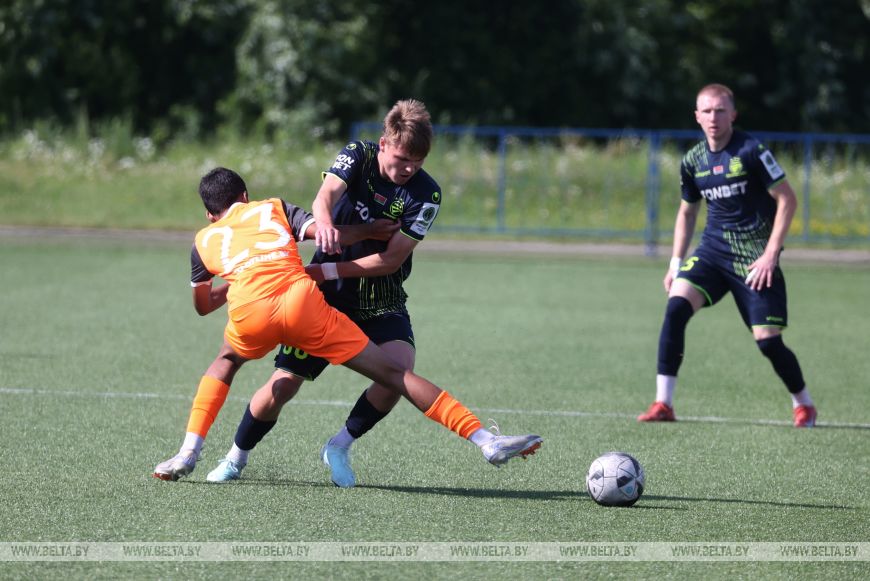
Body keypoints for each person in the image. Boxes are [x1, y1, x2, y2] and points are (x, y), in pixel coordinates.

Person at [153, 166, 542, 481]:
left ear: (210, 214)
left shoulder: (202, 241)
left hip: (251, 313)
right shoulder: (271, 208)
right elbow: (326, 234)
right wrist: (369, 231)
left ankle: (188, 452)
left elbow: (203, 305)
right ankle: (484, 439)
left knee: (226, 361)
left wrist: (241, 276)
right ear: (245, 196)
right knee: (395, 375)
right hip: (303, 303)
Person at [205, 99, 447, 487]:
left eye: (417, 162)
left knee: (398, 376)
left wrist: (324, 269)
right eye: (402, 159)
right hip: (325, 297)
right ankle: (235, 457)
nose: (408, 169)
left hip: (381, 298)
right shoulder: (359, 155)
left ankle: (339, 445)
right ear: (384, 143)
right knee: (284, 384)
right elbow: (325, 196)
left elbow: (390, 261)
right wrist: (325, 223)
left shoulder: (427, 194)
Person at [637, 83, 816, 428]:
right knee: (675, 308)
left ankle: (804, 404)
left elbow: (787, 199)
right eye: (706, 111)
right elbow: (687, 212)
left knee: (768, 342)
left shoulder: (751, 151)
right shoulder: (693, 160)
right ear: (697, 117)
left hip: (753, 258)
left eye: (720, 110)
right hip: (712, 253)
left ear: (733, 114)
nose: (713, 117)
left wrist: (770, 254)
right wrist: (675, 263)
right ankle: (663, 403)